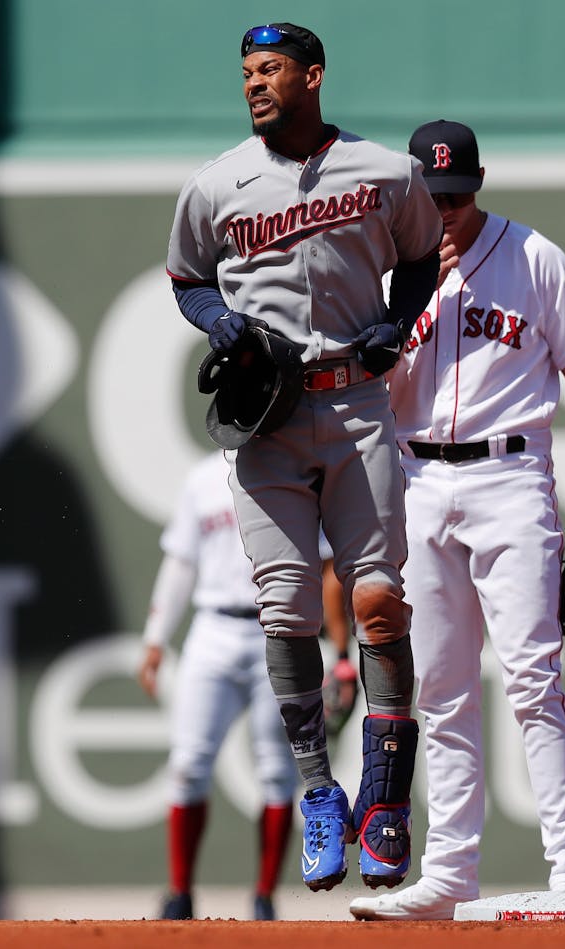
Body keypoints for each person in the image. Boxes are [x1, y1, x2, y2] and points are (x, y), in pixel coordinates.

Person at [165, 22, 443, 893]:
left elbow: (420, 258)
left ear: (313, 76)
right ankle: (320, 792)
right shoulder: (218, 183)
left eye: (271, 70)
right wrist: (220, 322)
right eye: (247, 71)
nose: (254, 84)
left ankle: (388, 800)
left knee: (377, 598)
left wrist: (397, 328)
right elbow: (186, 277)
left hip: (356, 402)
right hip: (267, 416)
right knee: (284, 609)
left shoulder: (386, 172)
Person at [350, 119, 565, 920]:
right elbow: (371, 392)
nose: (448, 210)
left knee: (534, 677)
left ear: (479, 183)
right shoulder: (386, 269)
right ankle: (449, 873)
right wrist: (401, 310)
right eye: (434, 198)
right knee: (440, 689)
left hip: (510, 474)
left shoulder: (536, 258)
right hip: (417, 475)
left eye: (459, 194)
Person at [137, 450, 353, 921]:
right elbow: (180, 562)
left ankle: (263, 896)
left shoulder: (298, 470)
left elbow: (329, 569)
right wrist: (156, 638)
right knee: (189, 764)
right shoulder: (200, 478)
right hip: (212, 629)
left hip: (275, 633)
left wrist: (340, 652)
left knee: (276, 772)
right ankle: (179, 894)